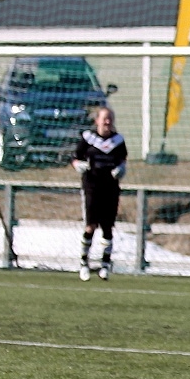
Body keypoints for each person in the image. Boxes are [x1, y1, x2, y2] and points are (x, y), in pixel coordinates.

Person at [72, 107, 127, 281]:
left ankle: (105, 265)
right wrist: (77, 165)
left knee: (107, 227)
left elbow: (122, 159)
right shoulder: (88, 138)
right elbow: (75, 157)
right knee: (90, 226)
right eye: (104, 119)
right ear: (97, 121)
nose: (107, 122)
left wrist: (121, 168)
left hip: (110, 187)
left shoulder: (118, 141)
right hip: (92, 186)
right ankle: (84, 263)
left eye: (110, 118)